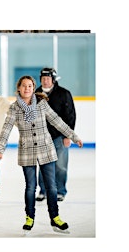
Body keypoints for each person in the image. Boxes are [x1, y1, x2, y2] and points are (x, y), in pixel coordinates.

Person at [0, 75, 83, 235]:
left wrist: (73, 136)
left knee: (51, 187)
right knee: (30, 187)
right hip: (27, 153)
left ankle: (55, 218)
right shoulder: (14, 109)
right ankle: (29, 218)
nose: (27, 89)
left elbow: (57, 121)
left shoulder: (41, 104)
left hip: (46, 149)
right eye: (24, 86)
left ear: (34, 89)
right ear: (18, 88)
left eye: (30, 86)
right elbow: (6, 130)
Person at [35, 67, 76, 202]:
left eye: (48, 78)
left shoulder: (64, 93)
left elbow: (70, 116)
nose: (45, 81)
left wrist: (67, 135)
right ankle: (44, 191)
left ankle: (60, 191)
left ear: (53, 79)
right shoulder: (36, 94)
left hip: (60, 136)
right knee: (43, 166)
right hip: (42, 137)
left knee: (60, 166)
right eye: (43, 78)